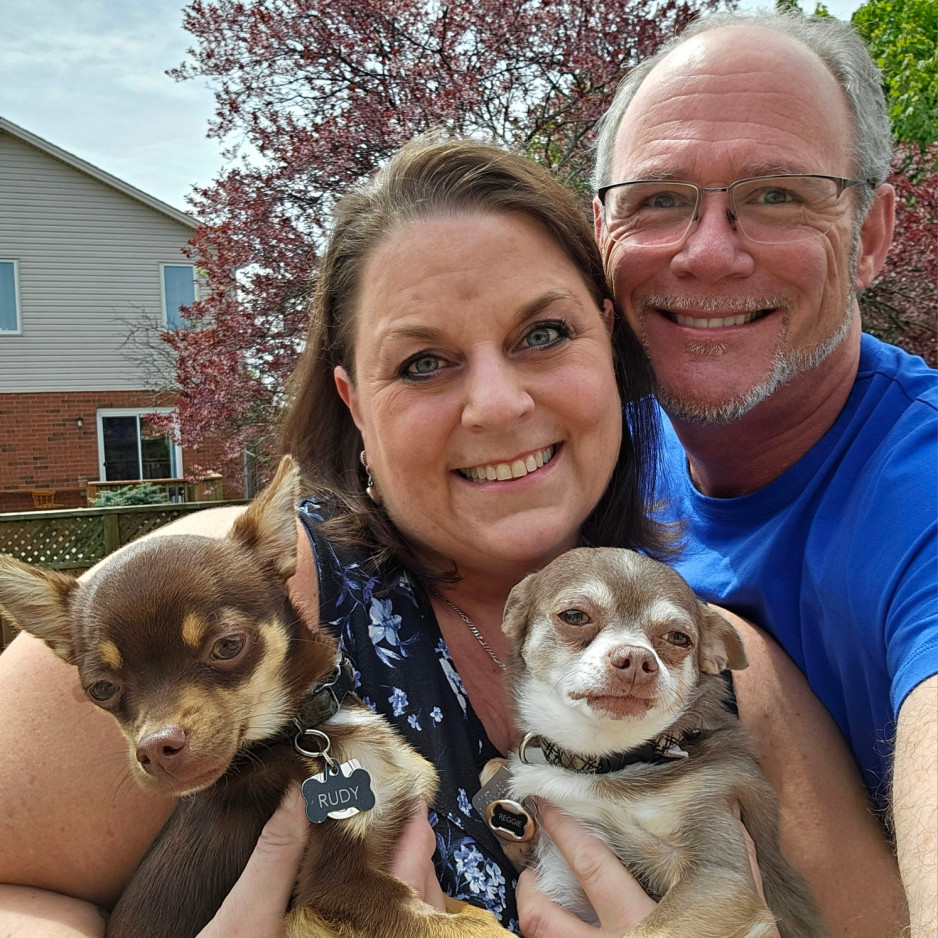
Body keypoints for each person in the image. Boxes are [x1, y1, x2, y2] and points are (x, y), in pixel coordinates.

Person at [0, 135, 906, 937]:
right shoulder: (212, 591)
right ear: (355, 403)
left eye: (543, 334)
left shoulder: (722, 670)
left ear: (609, 347)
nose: (498, 405)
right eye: (423, 362)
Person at [590, 11, 937, 936]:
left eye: (777, 194)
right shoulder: (584, 449)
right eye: (658, 198)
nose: (707, 250)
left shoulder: (921, 492)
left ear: (871, 234)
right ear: (601, 232)